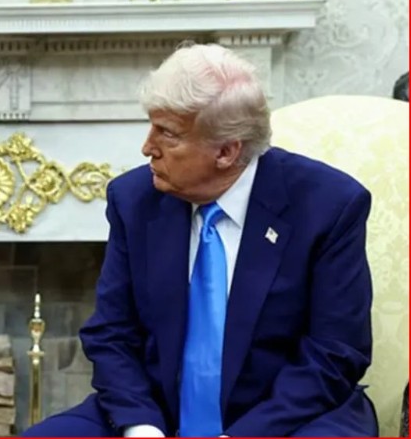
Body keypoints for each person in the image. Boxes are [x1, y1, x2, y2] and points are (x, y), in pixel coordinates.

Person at [23, 43, 377, 437]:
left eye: (167, 134)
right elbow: (111, 333)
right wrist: (141, 426)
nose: (147, 147)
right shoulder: (134, 200)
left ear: (226, 151)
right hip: (156, 410)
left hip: (287, 417)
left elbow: (335, 353)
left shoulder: (328, 206)